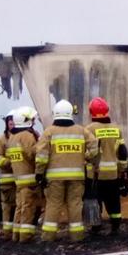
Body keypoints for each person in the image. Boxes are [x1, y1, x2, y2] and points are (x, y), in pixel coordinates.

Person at [34, 99, 91, 242]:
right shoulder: (81, 131)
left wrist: (39, 174)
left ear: (55, 114)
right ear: (71, 113)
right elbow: (95, 147)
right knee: (75, 204)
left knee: (53, 204)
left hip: (55, 178)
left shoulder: (49, 132)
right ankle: (77, 236)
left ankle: (48, 236)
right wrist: (87, 158)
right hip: (77, 176)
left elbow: (41, 156)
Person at [85, 97, 128, 236]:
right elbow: (122, 152)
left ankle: (95, 226)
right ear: (107, 111)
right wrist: (123, 170)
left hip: (95, 175)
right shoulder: (116, 129)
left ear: (91, 111)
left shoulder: (89, 129)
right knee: (113, 200)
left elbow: (87, 153)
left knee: (94, 200)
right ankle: (115, 225)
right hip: (113, 174)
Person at [3, 107, 43, 242]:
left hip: (19, 180)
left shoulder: (13, 137)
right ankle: (25, 237)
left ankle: (16, 235)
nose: (34, 122)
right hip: (29, 180)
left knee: (20, 208)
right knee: (28, 208)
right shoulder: (26, 136)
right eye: (32, 119)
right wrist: (41, 145)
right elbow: (33, 154)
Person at [0, 110, 19, 239]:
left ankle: (18, 232)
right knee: (7, 208)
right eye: (10, 123)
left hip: (22, 179)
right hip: (7, 180)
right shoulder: (1, 140)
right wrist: (10, 163)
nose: (12, 126)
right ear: (6, 124)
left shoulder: (23, 137)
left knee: (21, 206)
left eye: (14, 123)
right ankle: (7, 233)